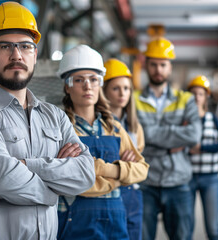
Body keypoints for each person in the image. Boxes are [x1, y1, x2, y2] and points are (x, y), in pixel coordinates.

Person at [0, 2, 95, 239]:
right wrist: (52, 191)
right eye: (5, 46)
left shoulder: (55, 116)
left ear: (35, 55)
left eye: (25, 46)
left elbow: (85, 173)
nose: (16, 55)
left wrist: (26, 165)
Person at [56, 45, 149, 240]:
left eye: (93, 79)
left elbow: (142, 169)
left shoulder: (113, 128)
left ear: (100, 84)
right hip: (75, 226)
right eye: (79, 80)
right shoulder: (60, 129)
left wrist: (101, 169)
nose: (87, 86)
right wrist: (120, 178)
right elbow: (67, 182)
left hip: (115, 224)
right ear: (67, 86)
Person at [134, 37, 202, 240]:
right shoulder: (133, 99)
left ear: (170, 66)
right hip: (145, 181)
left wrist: (150, 137)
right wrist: (175, 138)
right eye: (153, 64)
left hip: (179, 181)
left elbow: (194, 134)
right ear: (146, 65)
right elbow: (135, 137)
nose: (158, 69)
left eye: (163, 64)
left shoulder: (186, 99)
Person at [103, 58, 145, 240]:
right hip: (107, 192)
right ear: (104, 91)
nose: (122, 93)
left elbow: (140, 162)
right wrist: (125, 164)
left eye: (126, 88)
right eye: (115, 88)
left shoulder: (135, 126)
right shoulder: (99, 125)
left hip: (133, 193)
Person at [187, 75, 218, 240]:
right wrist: (189, 150)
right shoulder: (183, 120)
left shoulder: (213, 119)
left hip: (210, 179)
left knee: (213, 228)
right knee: (185, 228)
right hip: (187, 178)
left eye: (201, 94)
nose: (197, 97)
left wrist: (201, 148)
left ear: (206, 97)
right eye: (193, 93)